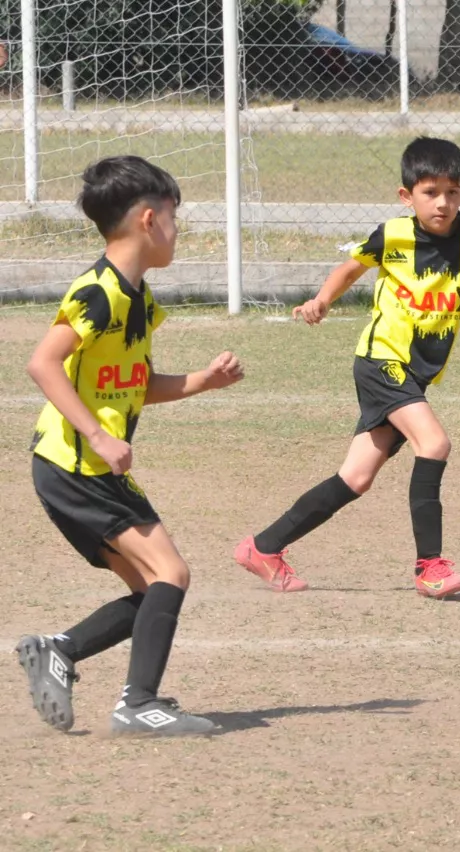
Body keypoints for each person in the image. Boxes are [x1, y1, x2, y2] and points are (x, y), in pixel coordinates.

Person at [234, 137, 460, 598]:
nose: (442, 203)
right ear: (407, 196)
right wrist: (321, 300)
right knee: (435, 443)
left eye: (452, 192)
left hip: (415, 372)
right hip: (381, 361)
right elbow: (351, 268)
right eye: (430, 192)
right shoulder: (393, 234)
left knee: (356, 478)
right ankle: (430, 566)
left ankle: (263, 547)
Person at [17, 155, 244, 736]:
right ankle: (138, 703)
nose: (177, 231)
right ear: (149, 219)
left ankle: (59, 649)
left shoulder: (137, 299)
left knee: (151, 589)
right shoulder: (100, 294)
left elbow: (135, 384)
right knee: (171, 572)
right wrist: (96, 433)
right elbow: (43, 364)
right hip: (76, 463)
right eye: (174, 217)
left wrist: (203, 381)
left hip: (84, 467)